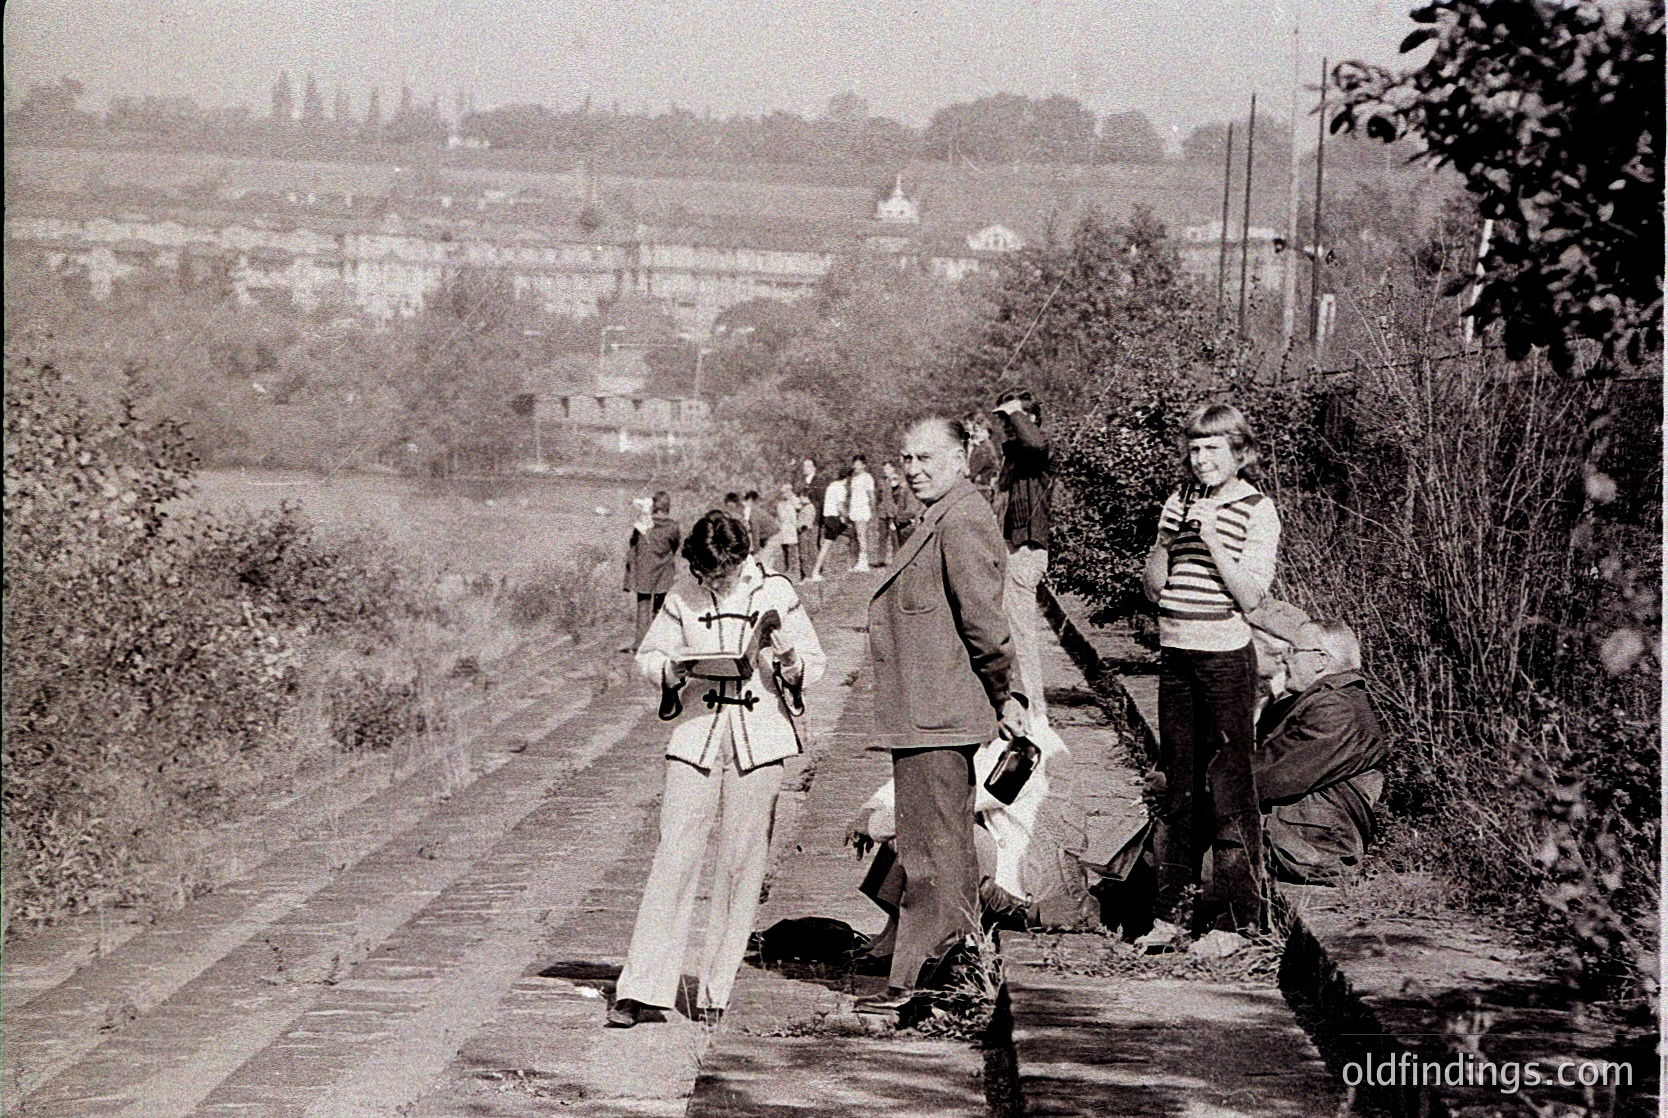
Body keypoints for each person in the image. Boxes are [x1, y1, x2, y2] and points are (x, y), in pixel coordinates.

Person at [608, 511, 827, 1027]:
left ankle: (715, 988)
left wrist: (790, 664)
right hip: (697, 733)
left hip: (759, 736)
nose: (714, 582)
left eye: (723, 574)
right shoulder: (684, 594)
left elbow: (814, 662)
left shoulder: (776, 591)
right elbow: (648, 656)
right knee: (673, 854)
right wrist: (671, 668)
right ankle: (642, 987)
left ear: (740, 558)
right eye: (705, 574)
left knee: (741, 861)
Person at [860, 416, 1024, 1012]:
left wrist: (1006, 696)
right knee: (940, 847)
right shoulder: (938, 517)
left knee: (931, 851)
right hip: (926, 710)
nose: (914, 469)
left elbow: (986, 624)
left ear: (962, 458)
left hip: (940, 710)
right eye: (907, 458)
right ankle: (951, 972)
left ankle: (919, 984)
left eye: (927, 458)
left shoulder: (963, 519)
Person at [1142, 403, 1280, 937]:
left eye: (1212, 450)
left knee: (1229, 788)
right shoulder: (1178, 501)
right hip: (1176, 656)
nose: (1200, 461)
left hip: (1225, 661)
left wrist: (1213, 540)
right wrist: (1165, 542)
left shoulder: (1257, 509)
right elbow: (1155, 588)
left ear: (1239, 453)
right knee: (1176, 787)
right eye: (1194, 450)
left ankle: (1234, 921)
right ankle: (1171, 917)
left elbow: (1250, 596)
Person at [1254, 618, 1387, 885]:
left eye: (1292, 652)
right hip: (1294, 835)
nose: (1285, 661)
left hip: (1311, 847)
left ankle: (1166, 918)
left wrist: (1183, 786)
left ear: (1320, 660)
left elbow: (1268, 777)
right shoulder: (1329, 700)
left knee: (1182, 826)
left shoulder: (1335, 709)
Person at [991, 388, 1054, 725]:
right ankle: (1016, 709)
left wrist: (1017, 412)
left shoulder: (1038, 452)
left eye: (1011, 419)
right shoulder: (1014, 456)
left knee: (1021, 637)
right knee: (1003, 636)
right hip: (1007, 550)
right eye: (1004, 419)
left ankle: (1036, 714)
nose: (1007, 426)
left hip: (1025, 551)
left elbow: (1037, 442)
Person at [624, 491, 682, 649]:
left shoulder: (642, 524)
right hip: (664, 570)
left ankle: (640, 643)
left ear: (653, 506)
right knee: (659, 607)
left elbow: (633, 544)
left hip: (643, 571)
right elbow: (676, 545)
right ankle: (657, 642)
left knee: (643, 606)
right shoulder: (672, 526)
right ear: (667, 508)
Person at [808, 467, 850, 582]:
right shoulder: (841, 488)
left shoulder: (832, 485)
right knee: (843, 540)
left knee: (835, 543)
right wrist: (848, 517)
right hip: (833, 518)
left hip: (827, 517)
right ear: (847, 478)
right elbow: (840, 507)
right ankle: (817, 571)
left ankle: (820, 570)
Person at [847, 454, 876, 572]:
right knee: (855, 537)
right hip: (854, 509)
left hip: (862, 509)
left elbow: (871, 496)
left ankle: (864, 562)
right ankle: (856, 562)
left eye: (859, 464)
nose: (856, 467)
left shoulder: (867, 477)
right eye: (855, 464)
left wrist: (872, 510)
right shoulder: (854, 478)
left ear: (864, 466)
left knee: (861, 535)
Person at [796, 458, 824, 581]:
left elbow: (820, 502)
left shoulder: (818, 482)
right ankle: (805, 574)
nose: (805, 468)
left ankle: (816, 571)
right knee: (803, 548)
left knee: (813, 546)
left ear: (814, 468)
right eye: (804, 466)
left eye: (808, 466)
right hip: (802, 518)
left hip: (813, 519)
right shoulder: (800, 482)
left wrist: (815, 519)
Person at [742, 490, 778, 572]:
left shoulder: (753, 513)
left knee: (763, 562)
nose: (743, 504)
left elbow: (756, 533)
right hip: (773, 536)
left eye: (745, 501)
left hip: (773, 537)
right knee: (767, 562)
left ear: (750, 500)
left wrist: (756, 552)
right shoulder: (756, 510)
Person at [772, 483, 801, 578]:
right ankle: (787, 566)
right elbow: (779, 516)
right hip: (784, 527)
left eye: (785, 492)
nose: (784, 494)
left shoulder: (794, 500)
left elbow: (798, 510)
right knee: (785, 549)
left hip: (791, 527)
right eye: (783, 493)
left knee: (792, 548)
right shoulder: (780, 504)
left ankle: (794, 567)